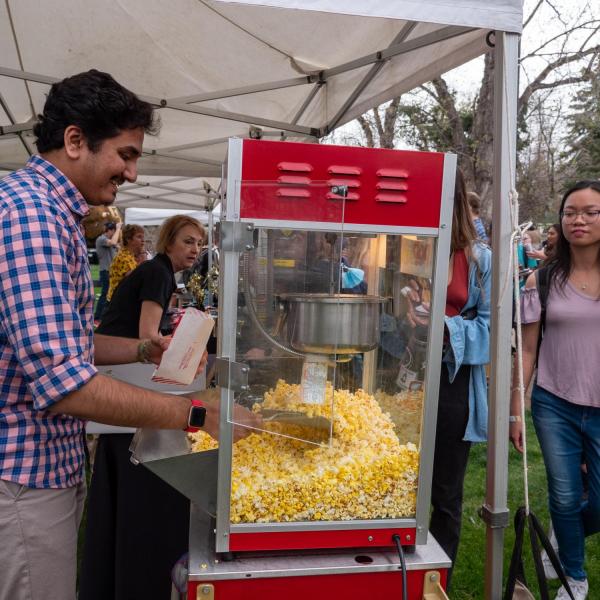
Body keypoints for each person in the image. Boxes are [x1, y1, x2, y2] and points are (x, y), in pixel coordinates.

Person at [0, 69, 254, 600]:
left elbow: (61, 340)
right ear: (75, 141)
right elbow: (65, 382)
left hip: (45, 465)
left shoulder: (56, 214)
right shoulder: (31, 216)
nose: (133, 173)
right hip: (21, 475)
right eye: (127, 154)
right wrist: (196, 413)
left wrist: (141, 348)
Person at [80, 215, 206, 600]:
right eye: (188, 242)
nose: (195, 250)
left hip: (116, 364)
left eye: (199, 244)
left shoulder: (160, 271)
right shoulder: (158, 273)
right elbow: (147, 335)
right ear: (168, 242)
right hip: (117, 372)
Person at [510, 180, 600, 600]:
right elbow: (527, 347)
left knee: (594, 503)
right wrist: (516, 405)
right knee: (564, 496)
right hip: (554, 403)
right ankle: (575, 579)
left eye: (590, 212)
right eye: (569, 212)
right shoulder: (541, 280)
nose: (577, 219)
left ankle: (563, 537)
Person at [430, 169, 491, 586]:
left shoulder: (478, 259)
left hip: (454, 383)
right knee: (399, 480)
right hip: (406, 381)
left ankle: (437, 585)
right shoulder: (395, 247)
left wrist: (442, 326)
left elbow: (489, 331)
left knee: (446, 493)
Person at [106, 223, 145, 302]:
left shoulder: (130, 256)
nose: (143, 240)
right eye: (139, 237)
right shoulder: (123, 257)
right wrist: (143, 263)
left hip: (122, 301)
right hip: (117, 303)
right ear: (128, 239)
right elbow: (133, 279)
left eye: (143, 237)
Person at [95, 220, 121, 321]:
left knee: (109, 294)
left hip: (111, 271)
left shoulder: (109, 240)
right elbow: (114, 242)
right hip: (105, 271)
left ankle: (103, 316)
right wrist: (118, 228)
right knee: (105, 294)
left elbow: (118, 244)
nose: (115, 234)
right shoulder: (101, 239)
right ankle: (98, 317)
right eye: (114, 231)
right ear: (110, 230)